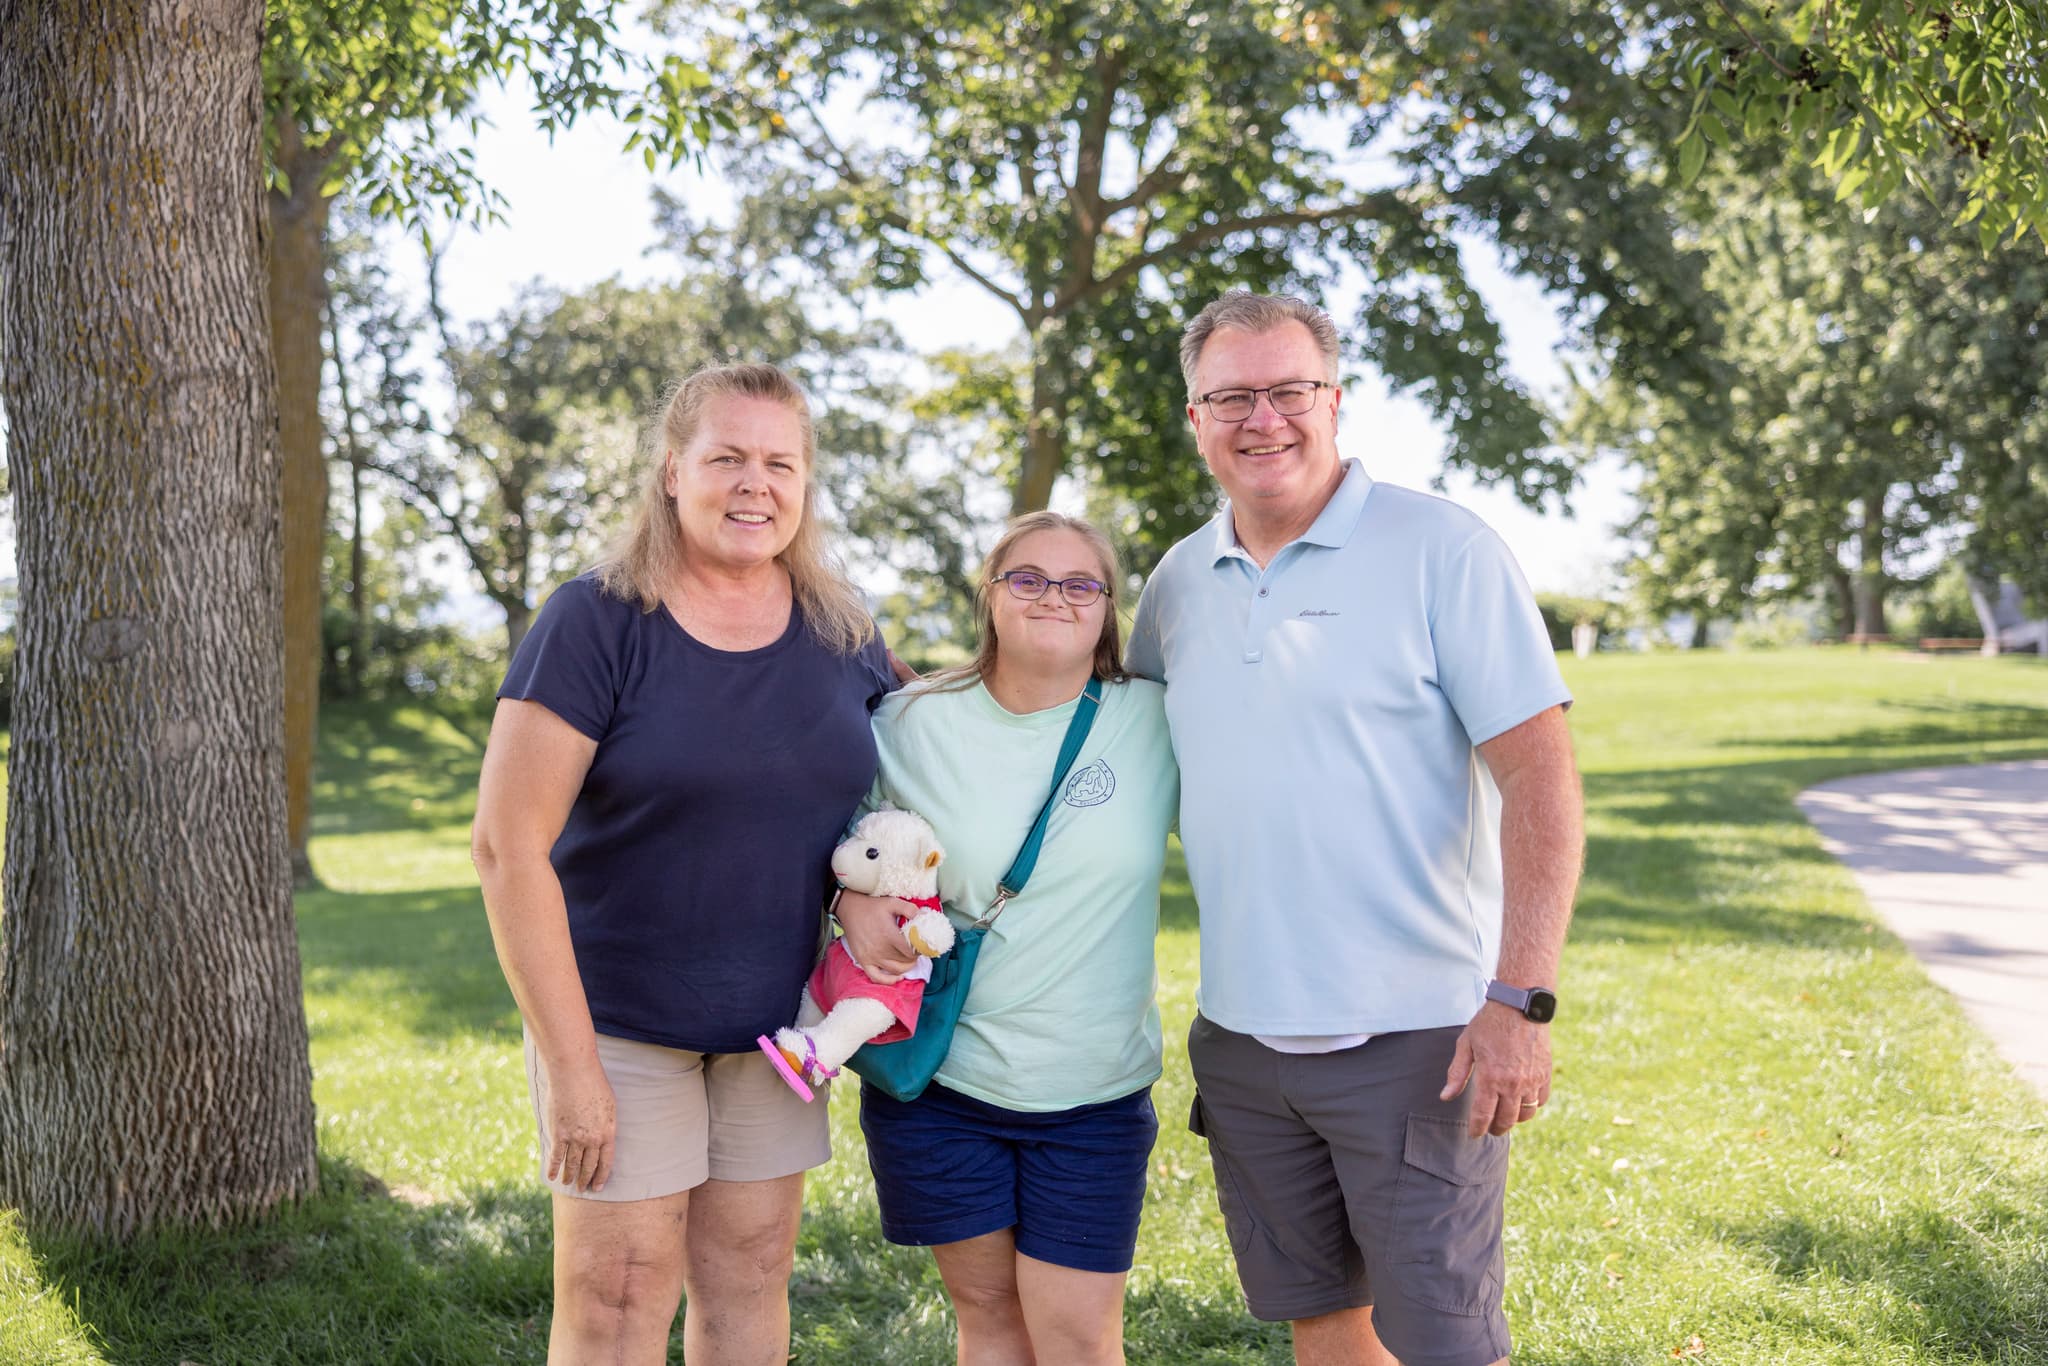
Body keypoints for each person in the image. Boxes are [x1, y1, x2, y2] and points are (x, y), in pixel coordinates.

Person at [1127, 292, 1584, 1366]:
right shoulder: (1176, 584)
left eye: (1289, 391)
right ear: (1193, 418)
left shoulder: (1441, 549)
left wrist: (1519, 997)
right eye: (1230, 396)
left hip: (1418, 1039)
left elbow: (1541, 781)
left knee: (1443, 1344)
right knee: (1323, 1325)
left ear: (1334, 402)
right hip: (1242, 1039)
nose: (1263, 419)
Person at [470, 363, 897, 1365]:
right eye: (728, 458)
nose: (756, 483)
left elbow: (931, 751)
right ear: (672, 472)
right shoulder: (595, 620)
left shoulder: (844, 629)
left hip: (777, 1030)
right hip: (617, 1024)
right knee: (617, 1293)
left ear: (804, 483)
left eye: (779, 463)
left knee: (750, 1275)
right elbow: (505, 846)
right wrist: (571, 1070)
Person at [838, 511, 1178, 1366]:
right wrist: (847, 901)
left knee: (1076, 1338)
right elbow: (833, 840)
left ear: (1107, 609)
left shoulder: (1160, 721)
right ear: (990, 596)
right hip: (944, 1082)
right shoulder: (908, 721)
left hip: (1092, 1092)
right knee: (988, 1319)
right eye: (1026, 578)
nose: (1052, 598)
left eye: (1079, 584)